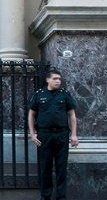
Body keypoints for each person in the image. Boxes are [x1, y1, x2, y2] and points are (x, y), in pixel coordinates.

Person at [28, 69, 79, 200]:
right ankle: (45, 196)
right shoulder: (39, 94)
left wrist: (74, 135)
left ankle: (61, 197)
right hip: (44, 135)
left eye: (59, 79)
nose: (58, 81)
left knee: (61, 167)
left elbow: (72, 115)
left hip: (61, 134)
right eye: (55, 79)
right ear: (48, 80)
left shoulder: (64, 94)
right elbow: (31, 114)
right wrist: (32, 134)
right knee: (45, 167)